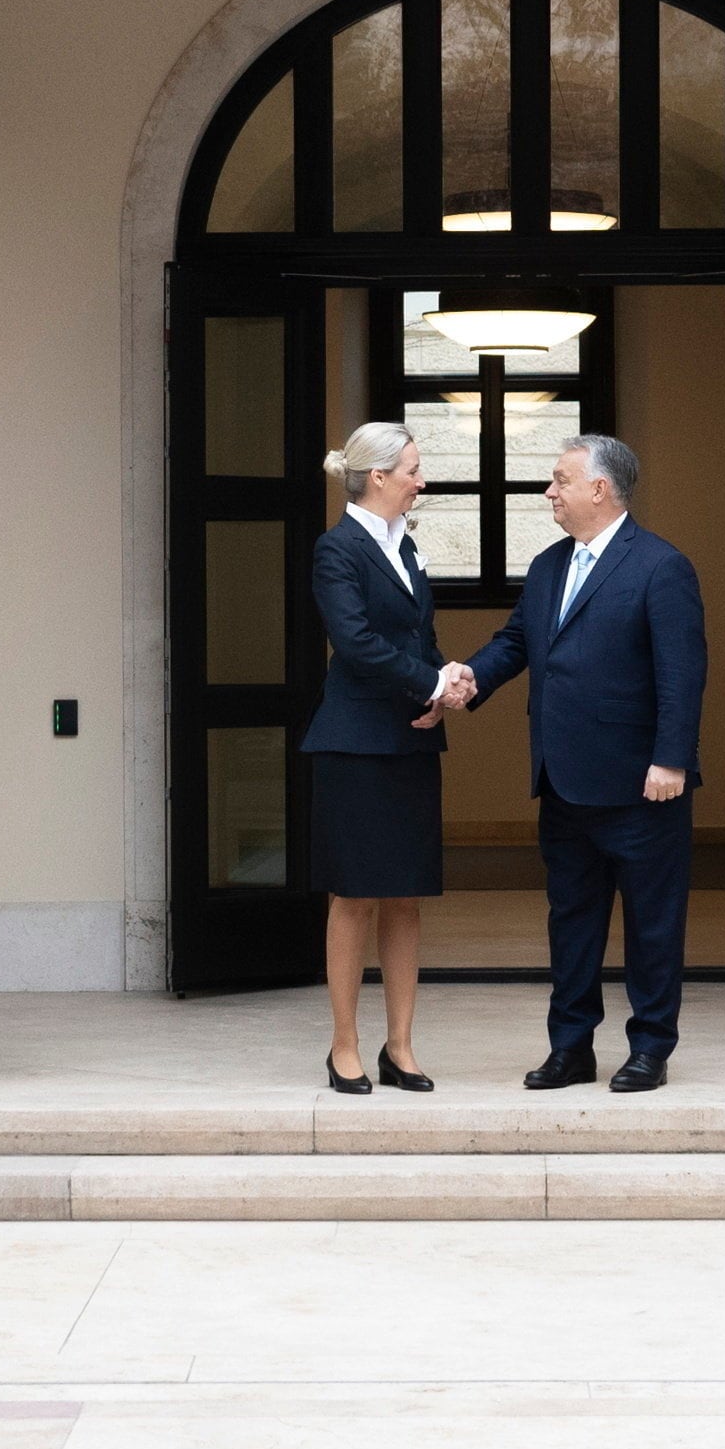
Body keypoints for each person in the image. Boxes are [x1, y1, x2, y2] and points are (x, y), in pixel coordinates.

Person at [435, 433, 707, 1093]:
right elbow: (516, 641)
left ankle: (649, 1048)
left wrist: (671, 758)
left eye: (559, 480)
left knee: (652, 924)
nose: (549, 492)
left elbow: (683, 673)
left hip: (644, 786)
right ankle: (571, 1048)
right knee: (573, 923)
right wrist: (472, 677)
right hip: (563, 783)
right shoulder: (551, 564)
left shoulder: (661, 566)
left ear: (600, 488)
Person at [300, 421, 446, 1094]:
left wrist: (445, 683)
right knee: (354, 896)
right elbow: (355, 644)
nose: (422, 479)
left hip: (410, 740)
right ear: (379, 476)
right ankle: (344, 1046)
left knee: (406, 898)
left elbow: (420, 637)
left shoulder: (405, 546)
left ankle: (402, 1046)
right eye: (414, 468)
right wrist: (429, 682)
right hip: (354, 745)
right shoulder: (338, 549)